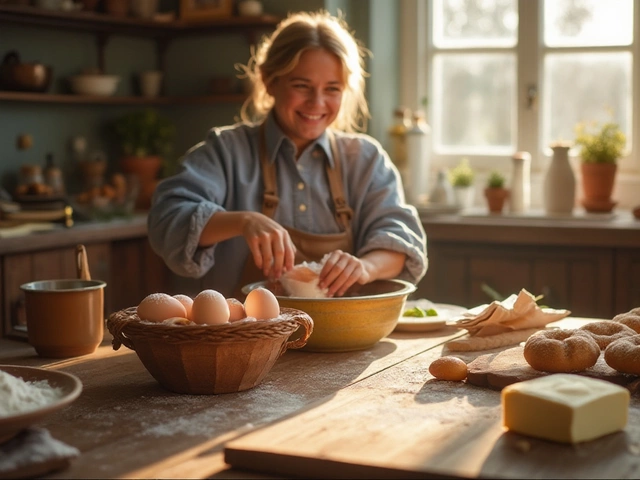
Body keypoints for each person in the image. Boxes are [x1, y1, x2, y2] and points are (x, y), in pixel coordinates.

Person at [147, 10, 428, 299]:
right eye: (301, 86)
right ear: (269, 81)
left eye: (332, 89)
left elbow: (400, 239)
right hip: (240, 339)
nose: (316, 103)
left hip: (342, 341)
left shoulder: (366, 159)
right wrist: (244, 221)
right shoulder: (226, 150)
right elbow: (167, 219)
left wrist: (364, 267)